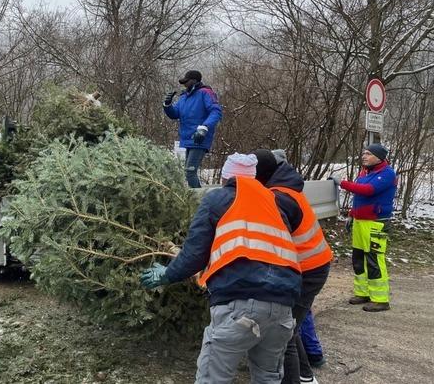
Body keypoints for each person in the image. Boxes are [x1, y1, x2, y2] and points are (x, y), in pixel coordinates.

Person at [140, 153, 300, 384]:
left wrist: (166, 274)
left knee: (213, 378)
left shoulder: (218, 199)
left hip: (241, 302)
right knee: (268, 377)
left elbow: (194, 255)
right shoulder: (275, 204)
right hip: (284, 305)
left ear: (226, 178)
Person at [254, 149, 332, 384]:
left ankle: (301, 378)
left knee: (283, 331)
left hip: (307, 271)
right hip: (312, 266)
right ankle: (306, 376)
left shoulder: (279, 199)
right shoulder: (285, 189)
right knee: (290, 325)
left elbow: (275, 243)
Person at [330, 143, 397, 312]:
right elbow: (360, 198)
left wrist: (343, 183)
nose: (364, 156)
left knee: (374, 259)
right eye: (364, 153)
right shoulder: (365, 173)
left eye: (368, 154)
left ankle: (380, 299)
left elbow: (368, 191)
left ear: (379, 157)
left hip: (376, 223)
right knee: (358, 259)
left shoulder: (387, 173)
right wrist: (352, 214)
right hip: (360, 222)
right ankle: (363, 293)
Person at [163, 70, 222, 188]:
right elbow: (175, 114)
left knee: (190, 171)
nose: (184, 84)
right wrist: (167, 105)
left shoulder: (205, 92)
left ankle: (198, 202)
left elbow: (216, 111)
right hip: (188, 138)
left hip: (199, 137)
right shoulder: (184, 97)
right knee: (188, 172)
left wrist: (204, 127)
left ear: (194, 81)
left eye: (187, 81)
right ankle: (196, 199)